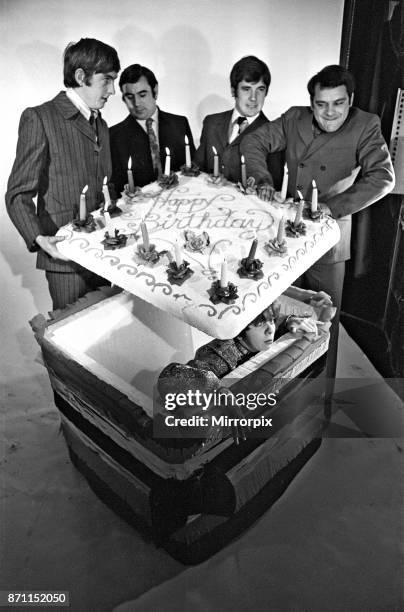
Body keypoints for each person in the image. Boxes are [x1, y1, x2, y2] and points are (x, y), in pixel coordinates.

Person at [241, 64, 395, 378]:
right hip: (287, 236)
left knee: (324, 323)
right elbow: (252, 143)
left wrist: (331, 206)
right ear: (311, 103)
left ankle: (323, 387)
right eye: (321, 105)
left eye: (339, 103)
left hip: (330, 236)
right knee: (283, 315)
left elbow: (383, 178)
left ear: (350, 100)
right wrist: (264, 181)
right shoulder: (294, 118)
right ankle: (282, 387)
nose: (330, 113)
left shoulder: (366, 125)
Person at [6, 38, 120, 310]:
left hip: (104, 253)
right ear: (81, 77)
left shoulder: (100, 124)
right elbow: (18, 194)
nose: (113, 90)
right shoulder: (40, 118)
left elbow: (105, 184)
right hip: (65, 259)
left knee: (104, 335)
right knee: (70, 341)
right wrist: (38, 238)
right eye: (107, 80)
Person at [158, 289, 333, 443]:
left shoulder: (261, 333)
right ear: (241, 330)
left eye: (270, 321)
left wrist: (290, 322)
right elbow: (172, 375)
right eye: (260, 325)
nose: (270, 330)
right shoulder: (219, 355)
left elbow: (272, 323)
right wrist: (221, 392)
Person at [193, 55, 283, 185]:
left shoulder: (273, 135)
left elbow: (272, 188)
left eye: (260, 89)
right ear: (233, 90)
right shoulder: (211, 123)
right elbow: (197, 169)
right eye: (246, 89)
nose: (253, 98)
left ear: (266, 92)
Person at [109, 64, 195, 194]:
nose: (136, 103)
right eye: (129, 97)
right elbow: (116, 187)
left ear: (155, 91)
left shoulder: (179, 124)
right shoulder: (113, 136)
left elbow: (193, 171)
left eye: (142, 95)